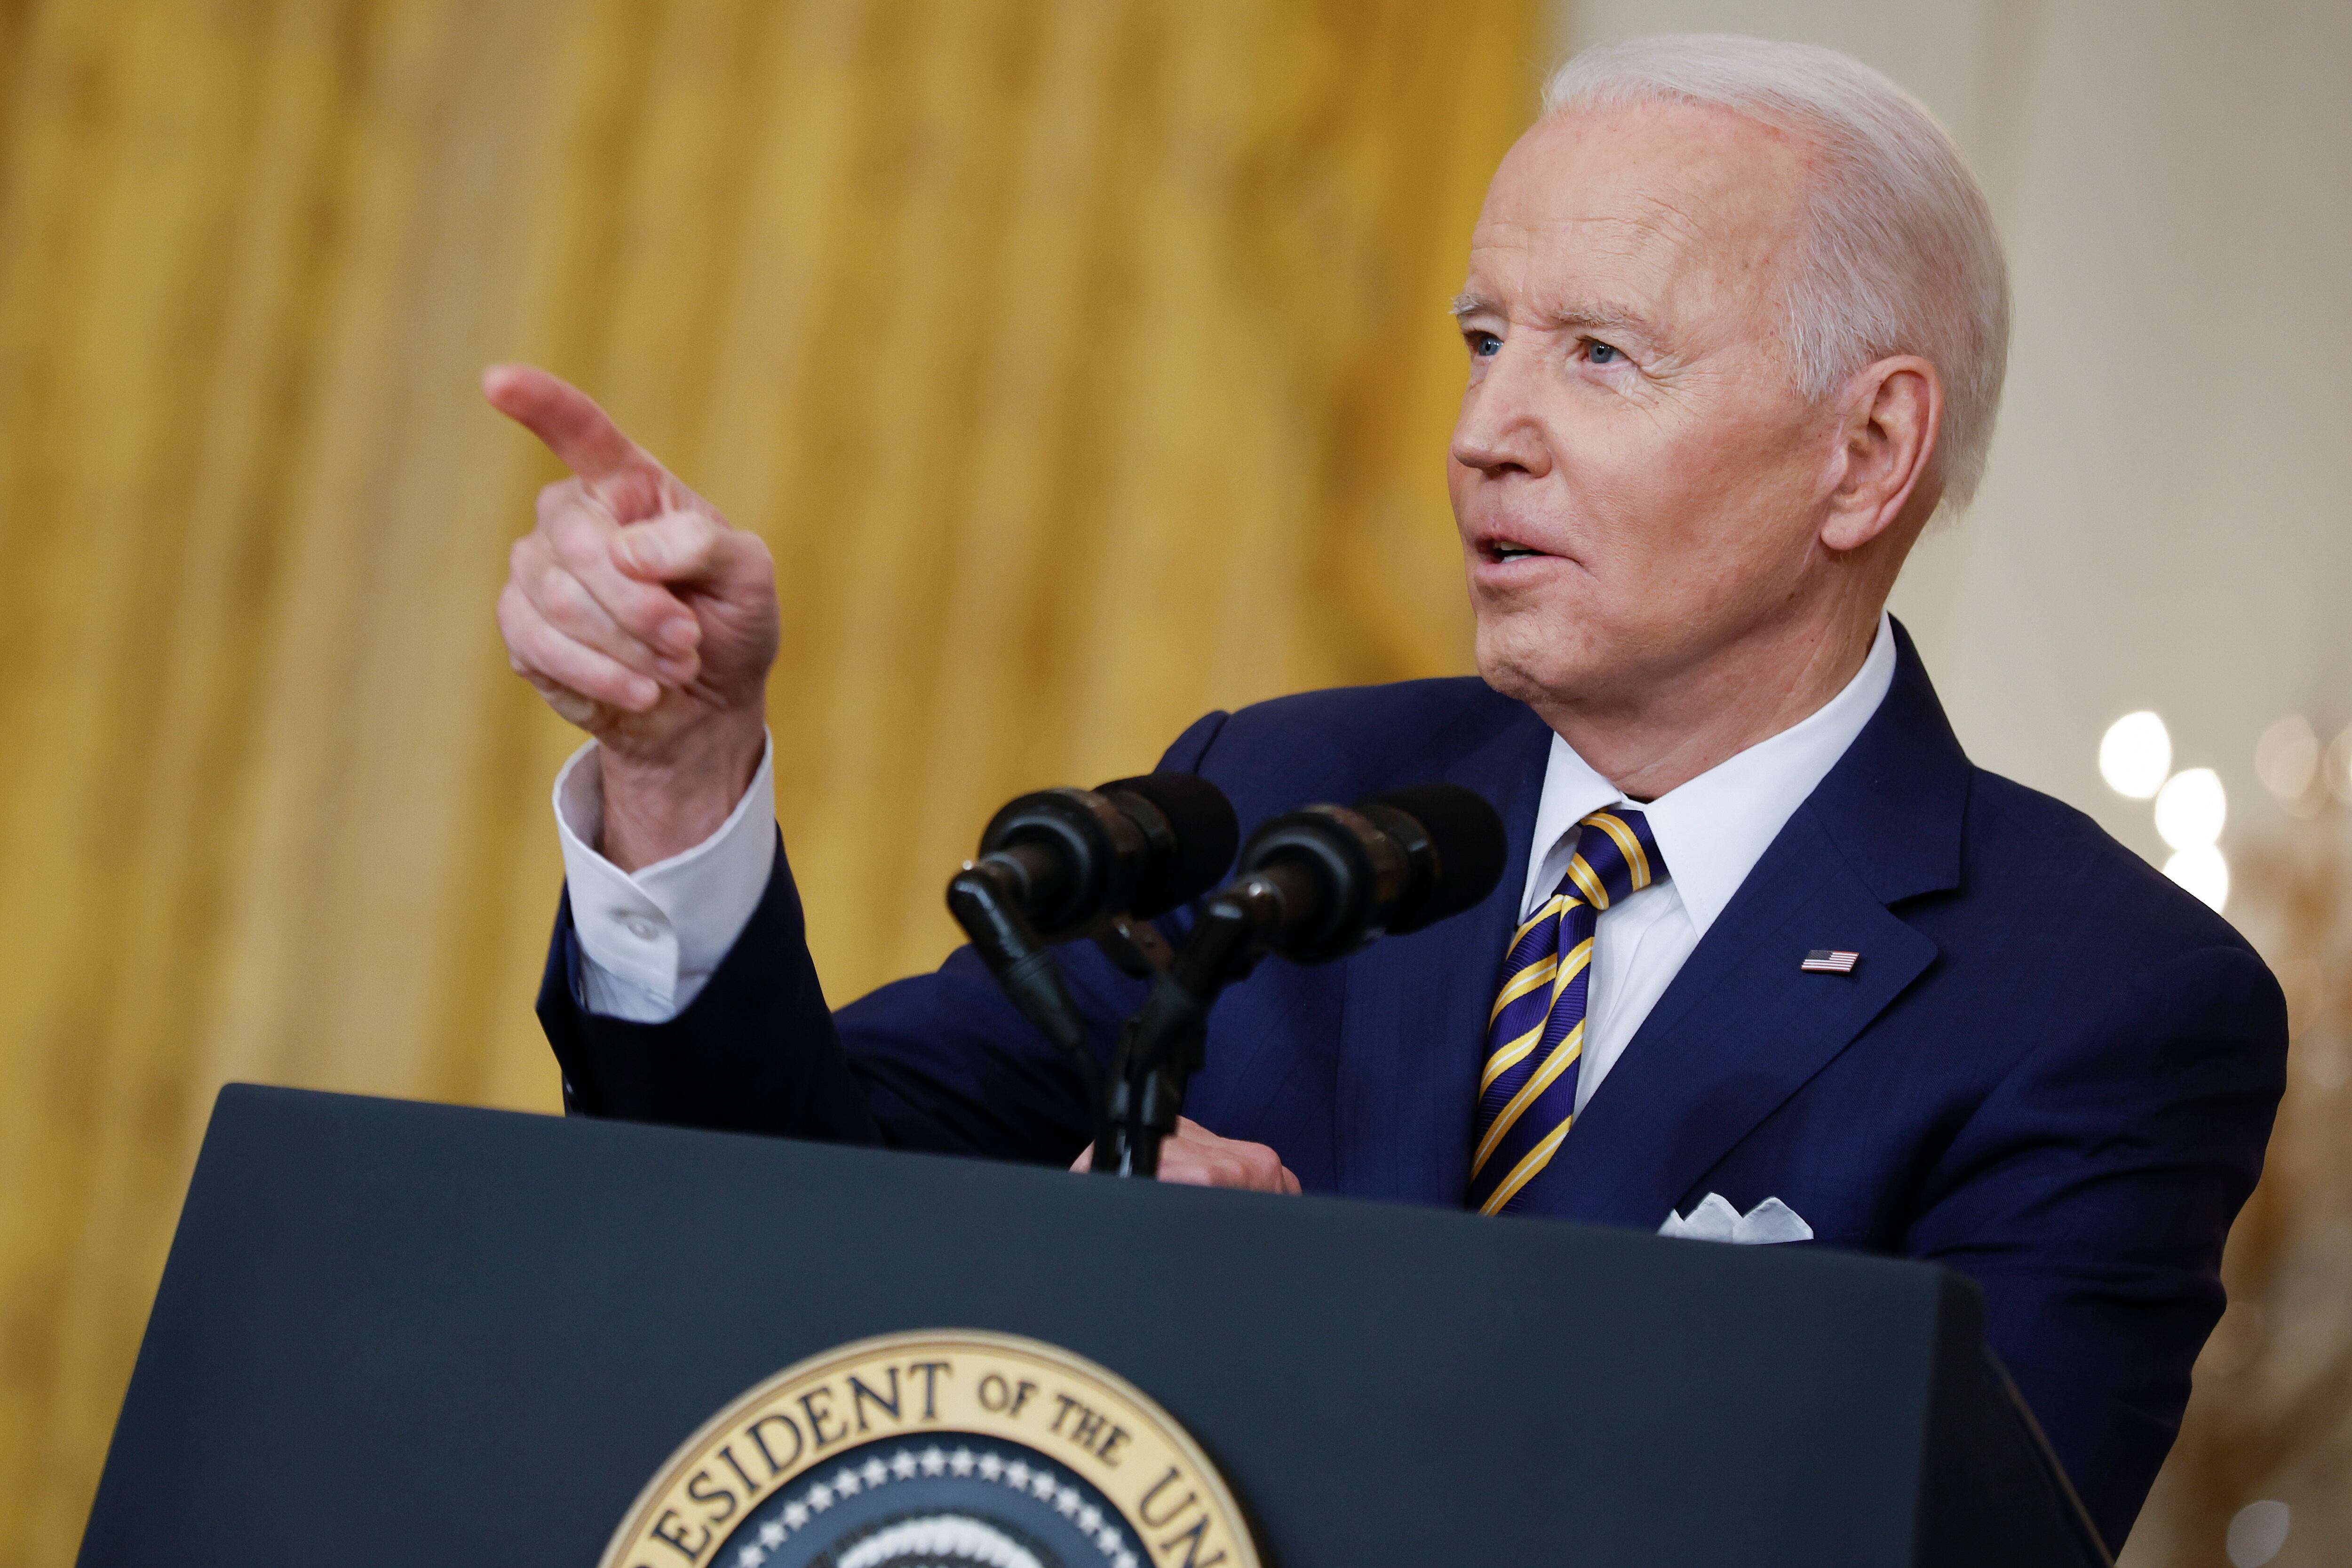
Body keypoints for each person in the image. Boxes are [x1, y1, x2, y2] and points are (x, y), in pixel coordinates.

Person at [485, 35, 2283, 1548]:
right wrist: (680, 767)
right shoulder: (1285, 799)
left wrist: (1306, 1338)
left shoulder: (2101, 1005)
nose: (1488, 427)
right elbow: (771, 1203)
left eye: (1601, 354)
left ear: (1866, 450)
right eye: (1485, 337)